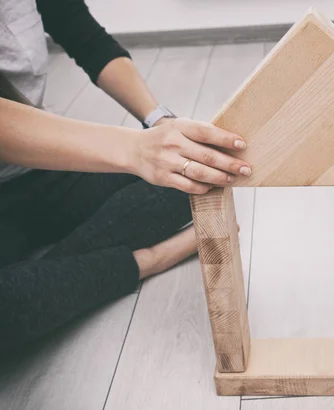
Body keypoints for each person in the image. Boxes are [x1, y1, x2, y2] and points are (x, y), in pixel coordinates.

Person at [0, 0, 252, 351]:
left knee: (187, 176)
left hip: (36, 173)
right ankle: (148, 259)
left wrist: (160, 123)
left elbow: (87, 40)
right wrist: (136, 150)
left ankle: (46, 282)